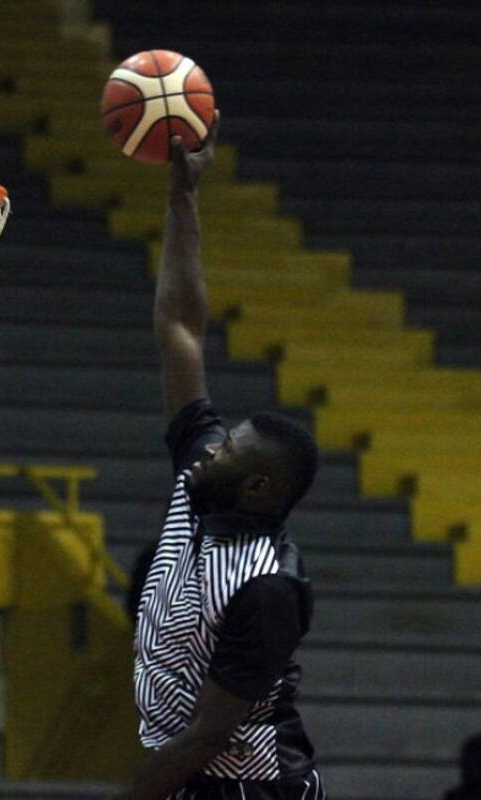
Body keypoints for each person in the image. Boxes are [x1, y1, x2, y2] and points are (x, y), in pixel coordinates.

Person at [109, 112, 325, 800]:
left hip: (252, 788)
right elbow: (180, 325)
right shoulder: (201, 474)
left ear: (259, 488)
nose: (210, 446)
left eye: (228, 448)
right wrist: (182, 198)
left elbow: (207, 736)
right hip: (192, 775)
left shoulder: (268, 588)